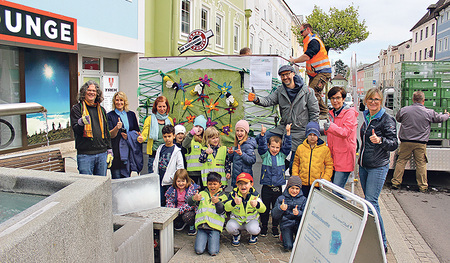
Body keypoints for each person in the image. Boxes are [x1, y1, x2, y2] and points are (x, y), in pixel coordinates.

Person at [248, 64, 319, 170]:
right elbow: (268, 101)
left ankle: (286, 169)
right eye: (282, 75)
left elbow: (314, 113)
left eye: (287, 74)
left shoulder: (307, 91)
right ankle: (277, 163)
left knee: (294, 167)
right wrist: (256, 99)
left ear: (293, 74)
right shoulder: (280, 90)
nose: (285, 77)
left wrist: (311, 133)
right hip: (283, 128)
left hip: (300, 131)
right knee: (259, 138)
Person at [359, 87, 398, 252]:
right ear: (366, 101)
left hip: (378, 166)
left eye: (376, 100)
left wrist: (380, 140)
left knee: (371, 202)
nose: (373, 102)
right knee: (369, 204)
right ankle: (372, 236)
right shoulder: (367, 116)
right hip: (364, 166)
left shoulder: (386, 119)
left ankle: (382, 243)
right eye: (370, 99)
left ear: (380, 101)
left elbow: (394, 143)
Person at [391, 91, 450, 192]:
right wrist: (447, 115)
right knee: (421, 164)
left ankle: (396, 183)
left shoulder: (404, 110)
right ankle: (422, 186)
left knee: (401, 161)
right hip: (420, 143)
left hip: (406, 141)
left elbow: (398, 118)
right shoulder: (428, 112)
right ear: (423, 100)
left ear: (413, 99)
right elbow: (439, 118)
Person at [288, 23, 332, 119]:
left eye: (301, 31)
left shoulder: (314, 41)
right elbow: (308, 60)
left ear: (308, 29)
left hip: (322, 72)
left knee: (312, 92)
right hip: (317, 73)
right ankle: (321, 112)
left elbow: (307, 56)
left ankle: (323, 113)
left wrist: (294, 60)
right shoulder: (309, 42)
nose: (301, 34)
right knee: (311, 92)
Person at [70, 80, 112, 177]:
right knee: (86, 186)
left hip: (102, 153)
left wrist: (109, 149)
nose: (91, 92)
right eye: (89, 90)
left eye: (94, 91)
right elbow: (76, 130)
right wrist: (80, 123)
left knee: (100, 185)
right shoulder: (77, 109)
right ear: (84, 92)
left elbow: (106, 131)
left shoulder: (101, 110)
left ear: (97, 94)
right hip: (85, 155)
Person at [257, 123, 292, 238]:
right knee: (265, 209)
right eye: (272, 147)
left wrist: (288, 133)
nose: (275, 149)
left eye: (277, 147)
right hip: (266, 187)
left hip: (277, 187)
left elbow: (287, 146)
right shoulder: (265, 155)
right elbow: (261, 147)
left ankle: (275, 227)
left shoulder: (282, 155)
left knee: (276, 208)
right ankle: (264, 226)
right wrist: (262, 135)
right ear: (269, 146)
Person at [323, 87, 359, 196]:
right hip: (333, 157)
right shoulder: (331, 113)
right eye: (332, 98)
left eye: (338, 98)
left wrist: (330, 127)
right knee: (333, 189)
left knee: (337, 192)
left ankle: (347, 211)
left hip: (344, 158)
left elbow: (345, 132)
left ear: (343, 99)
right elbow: (329, 132)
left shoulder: (349, 113)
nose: (335, 101)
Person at [187, 172, 228, 256]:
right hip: (202, 226)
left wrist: (218, 203)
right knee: (198, 250)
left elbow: (222, 211)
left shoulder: (223, 196)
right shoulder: (202, 193)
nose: (212, 186)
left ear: (220, 184)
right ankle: (205, 240)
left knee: (213, 252)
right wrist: (194, 198)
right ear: (206, 184)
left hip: (214, 227)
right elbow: (189, 202)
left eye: (215, 184)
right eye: (210, 184)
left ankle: (212, 240)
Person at [291, 121, 334, 197]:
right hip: (302, 183)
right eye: (310, 134)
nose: (312, 137)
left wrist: (324, 180)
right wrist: (296, 176)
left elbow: (329, 166)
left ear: (318, 135)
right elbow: (296, 164)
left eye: (314, 135)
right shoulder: (300, 148)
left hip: (317, 184)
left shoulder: (324, 149)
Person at [107, 91, 142, 178]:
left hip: (129, 151)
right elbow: (109, 134)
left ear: (125, 101)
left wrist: (129, 136)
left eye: (121, 100)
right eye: (117, 100)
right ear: (114, 102)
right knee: (117, 178)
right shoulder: (110, 115)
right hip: (116, 152)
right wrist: (117, 128)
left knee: (126, 180)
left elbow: (137, 131)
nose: (119, 102)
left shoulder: (131, 114)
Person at [225, 173, 266, 246]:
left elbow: (263, 209)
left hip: (250, 221)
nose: (243, 186)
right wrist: (233, 203)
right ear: (237, 185)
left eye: (246, 183)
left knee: (254, 229)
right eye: (240, 184)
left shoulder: (255, 195)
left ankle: (254, 235)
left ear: (251, 184)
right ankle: (236, 235)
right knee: (229, 227)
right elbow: (226, 208)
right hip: (237, 220)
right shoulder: (233, 195)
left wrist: (257, 204)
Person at [138, 96, 173, 173]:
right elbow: (144, 133)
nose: (162, 109)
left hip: (167, 153)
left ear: (167, 107)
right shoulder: (149, 119)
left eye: (164, 106)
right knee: (153, 178)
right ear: (155, 107)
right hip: (154, 154)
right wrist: (141, 138)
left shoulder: (169, 120)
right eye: (159, 106)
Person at [271, 176, 307, 252]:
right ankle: (284, 236)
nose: (294, 191)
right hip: (286, 224)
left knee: (300, 246)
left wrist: (299, 213)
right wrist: (280, 208)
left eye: (297, 189)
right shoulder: (281, 198)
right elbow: (274, 215)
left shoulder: (303, 199)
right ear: (288, 187)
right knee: (288, 246)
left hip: (298, 224)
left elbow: (306, 214)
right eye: (292, 188)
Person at [152, 124, 184, 206]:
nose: (167, 139)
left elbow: (180, 167)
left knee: (170, 201)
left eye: (169, 136)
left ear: (173, 136)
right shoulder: (160, 148)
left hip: (170, 182)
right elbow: (156, 162)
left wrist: (172, 177)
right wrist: (155, 173)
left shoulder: (177, 151)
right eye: (165, 136)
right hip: (160, 179)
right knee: (160, 201)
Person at [165, 169, 200, 235]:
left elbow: (192, 204)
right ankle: (180, 222)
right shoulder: (172, 189)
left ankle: (192, 226)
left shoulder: (191, 189)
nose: (181, 183)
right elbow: (169, 200)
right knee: (168, 213)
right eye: (178, 181)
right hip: (176, 209)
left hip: (188, 209)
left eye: (183, 181)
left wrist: (180, 210)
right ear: (175, 181)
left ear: (187, 180)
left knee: (187, 216)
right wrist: (172, 210)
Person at [227, 119, 257, 187]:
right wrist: (231, 153)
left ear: (246, 132)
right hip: (236, 178)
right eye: (237, 130)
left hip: (244, 180)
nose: (239, 133)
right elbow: (232, 160)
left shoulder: (248, 145)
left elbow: (252, 160)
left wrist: (242, 154)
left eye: (241, 131)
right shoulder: (238, 144)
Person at [182, 115, 207, 186]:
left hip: (203, 172)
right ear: (193, 126)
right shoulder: (190, 138)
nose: (198, 129)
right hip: (192, 172)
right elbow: (185, 145)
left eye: (201, 127)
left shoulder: (205, 140)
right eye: (197, 126)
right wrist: (191, 134)